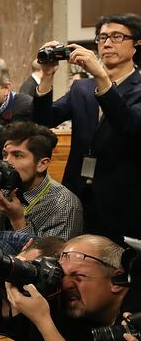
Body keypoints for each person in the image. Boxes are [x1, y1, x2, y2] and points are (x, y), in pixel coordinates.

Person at [32, 13, 141, 242]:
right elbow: (44, 120)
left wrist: (101, 77)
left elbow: (129, 126)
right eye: (102, 38)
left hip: (122, 195)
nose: (107, 43)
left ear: (136, 44)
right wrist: (47, 76)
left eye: (117, 37)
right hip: (77, 193)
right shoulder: (82, 88)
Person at [0, 121, 83, 240]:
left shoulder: (64, 204)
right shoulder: (0, 189)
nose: (6, 162)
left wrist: (17, 220)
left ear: (42, 164)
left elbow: (52, 256)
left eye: (17, 155)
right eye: (5, 155)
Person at [6, 234, 130, 340]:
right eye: (63, 275)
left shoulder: (134, 319)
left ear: (116, 281)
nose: (66, 285)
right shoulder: (73, 313)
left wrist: (43, 321)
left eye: (78, 276)